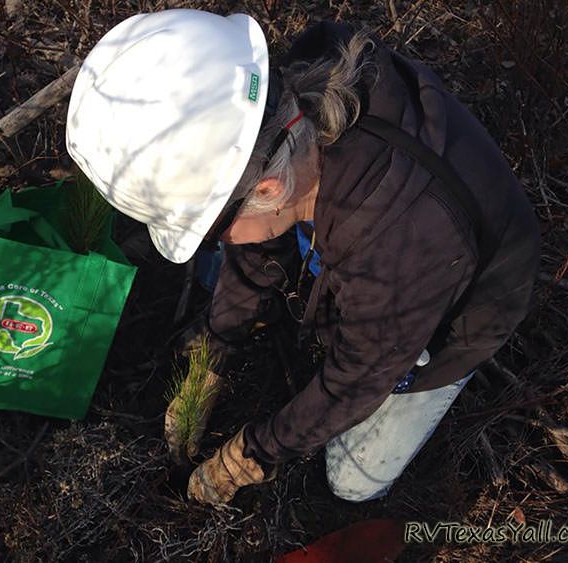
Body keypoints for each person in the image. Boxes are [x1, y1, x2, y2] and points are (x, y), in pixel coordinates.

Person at [65, 9, 540, 505]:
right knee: (237, 244)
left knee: (352, 481)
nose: (221, 240)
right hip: (376, 241)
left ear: (268, 188)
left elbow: (356, 377)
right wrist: (217, 348)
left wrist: (256, 452)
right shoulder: (277, 111)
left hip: (461, 305)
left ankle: (435, 374)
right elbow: (252, 237)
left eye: (215, 229)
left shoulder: (399, 242)